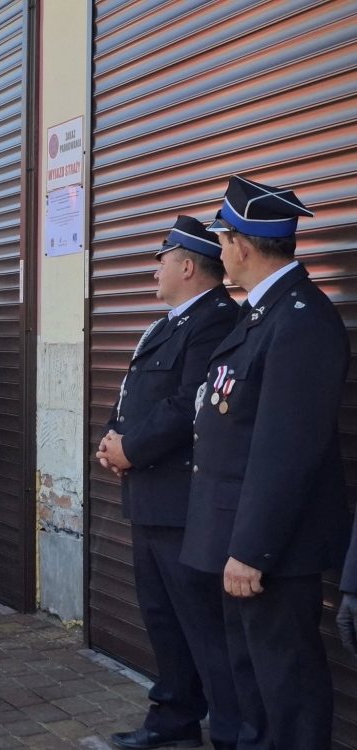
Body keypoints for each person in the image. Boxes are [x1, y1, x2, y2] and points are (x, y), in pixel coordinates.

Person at [180, 176, 349, 749]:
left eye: (223, 239)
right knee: (251, 683)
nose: (221, 250)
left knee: (285, 686)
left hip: (270, 548)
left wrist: (251, 550)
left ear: (242, 245)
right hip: (239, 537)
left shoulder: (301, 320)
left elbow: (286, 452)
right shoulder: (262, 313)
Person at [96, 218, 239, 750]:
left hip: (184, 503)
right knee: (163, 619)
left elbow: (188, 405)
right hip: (149, 497)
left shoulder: (217, 321)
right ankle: (174, 719)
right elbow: (133, 392)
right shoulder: (166, 325)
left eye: (161, 260)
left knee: (203, 625)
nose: (154, 270)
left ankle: (231, 732)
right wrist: (112, 438)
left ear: (187, 266)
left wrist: (132, 448)